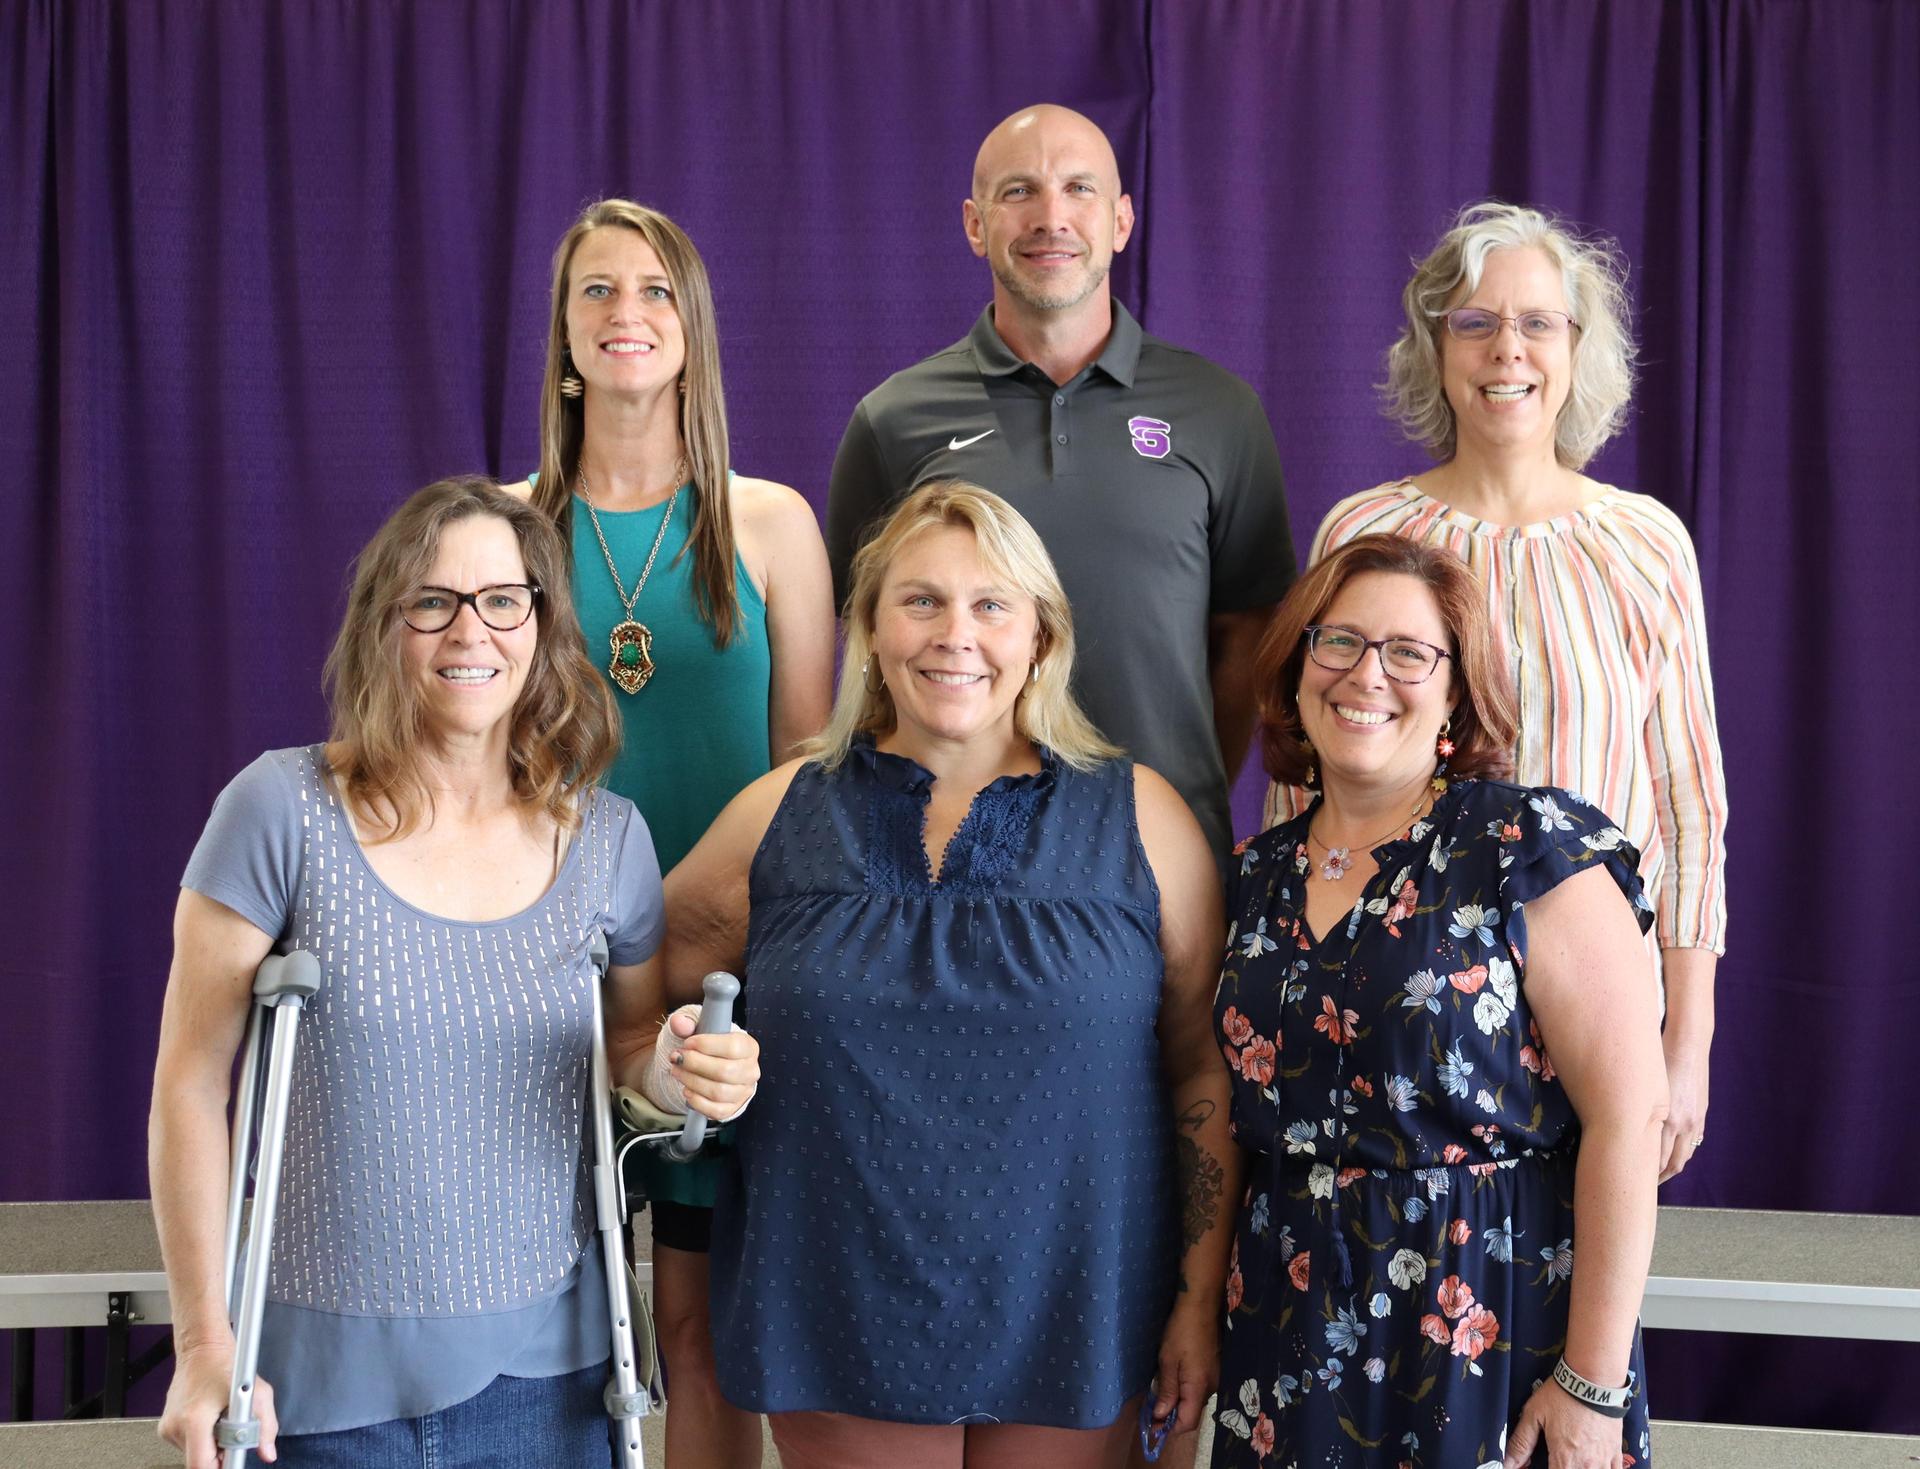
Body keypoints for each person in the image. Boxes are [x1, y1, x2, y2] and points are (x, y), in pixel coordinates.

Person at [149, 478, 761, 1468]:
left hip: (554, 1390)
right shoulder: (280, 810)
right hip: (315, 1396)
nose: (469, 629)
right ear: (385, 625)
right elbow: (189, 1078)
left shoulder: (606, 838)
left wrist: (681, 1067)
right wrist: (203, 1345)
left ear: (541, 624)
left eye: (502, 599)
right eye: (432, 601)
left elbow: (633, 1045)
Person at [667, 481, 1234, 1467]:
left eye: (990, 604)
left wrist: (1195, 1297)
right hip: (836, 1293)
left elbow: (1200, 1070)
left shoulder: (1146, 821)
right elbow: (640, 1002)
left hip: (1079, 1298)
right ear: (871, 629)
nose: (954, 633)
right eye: (920, 600)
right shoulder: (777, 815)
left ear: (1042, 636)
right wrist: (671, 1061)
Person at [1269, 200, 1726, 1182]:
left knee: (1584, 1316)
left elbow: (1690, 816)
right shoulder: (1366, 535)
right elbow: (1304, 787)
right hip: (1399, 1022)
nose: (1504, 348)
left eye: (1535, 322)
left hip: (1600, 1038)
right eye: (1473, 322)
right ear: (1436, 350)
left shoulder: (1647, 547)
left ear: (1576, 347)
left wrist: (1683, 1048)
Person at [1219, 534, 1665, 1468]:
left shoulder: (1526, 846)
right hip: (1285, 1325)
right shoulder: (1254, 877)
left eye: (1409, 652)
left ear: (1456, 692)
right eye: (1335, 641)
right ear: (1297, 668)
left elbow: (1631, 1117)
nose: (1365, 674)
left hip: (1487, 1322)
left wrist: (1593, 1381)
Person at [509, 196, 834, 1467]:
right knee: (564, 1326)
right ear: (564, 334)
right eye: (597, 291)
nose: (625, 315)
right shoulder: (508, 522)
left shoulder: (772, 523)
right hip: (546, 974)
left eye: (652, 292)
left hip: (719, 982)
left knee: (696, 1332)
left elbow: (808, 774)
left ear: (690, 329)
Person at [827, 103, 1294, 866]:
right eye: (1019, 192)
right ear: (976, 225)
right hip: (946, 855)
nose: (1051, 217)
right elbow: (867, 643)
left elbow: (1248, 638)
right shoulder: (894, 420)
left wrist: (1173, 787)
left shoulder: (1220, 411)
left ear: (1121, 220)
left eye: (1079, 189)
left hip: (1158, 853)